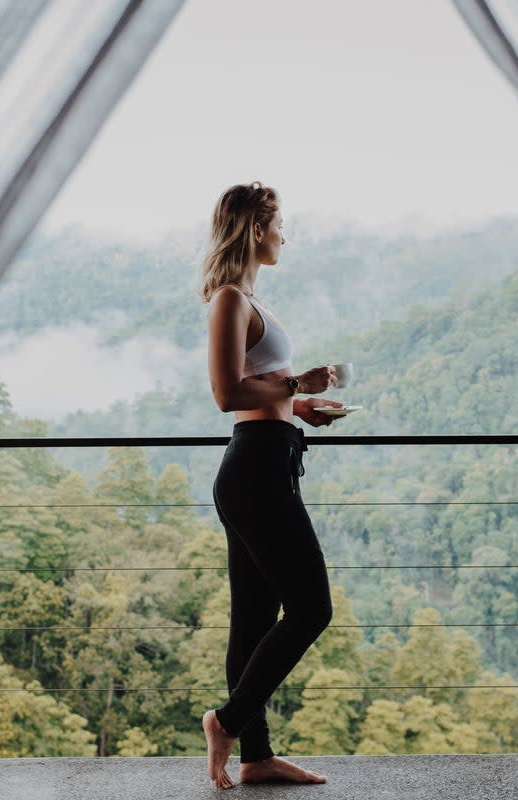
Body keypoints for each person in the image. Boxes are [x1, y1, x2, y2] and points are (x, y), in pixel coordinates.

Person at [199, 182, 344, 789]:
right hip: (255, 470)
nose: (285, 235)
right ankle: (226, 722)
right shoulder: (230, 299)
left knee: (255, 618)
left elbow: (259, 390)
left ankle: (255, 757)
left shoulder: (252, 299)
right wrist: (294, 387)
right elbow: (227, 395)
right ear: (257, 230)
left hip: (270, 457)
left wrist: (300, 405)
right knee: (312, 607)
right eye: (280, 225)